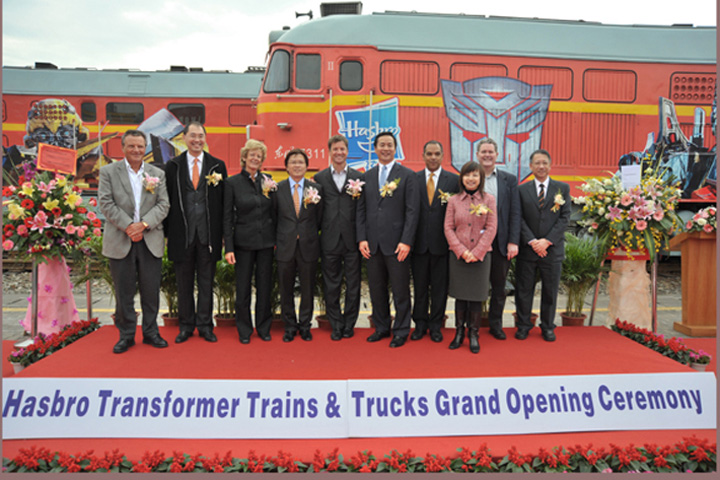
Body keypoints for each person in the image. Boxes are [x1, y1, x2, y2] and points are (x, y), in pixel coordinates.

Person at [98, 130, 170, 354]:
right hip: (121, 239)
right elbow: (106, 203)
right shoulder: (108, 172)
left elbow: (164, 205)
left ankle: (151, 332)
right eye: (132, 146)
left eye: (140, 146)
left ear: (145, 147)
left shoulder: (157, 173)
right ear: (123, 147)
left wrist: (144, 225)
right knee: (124, 292)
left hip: (149, 239)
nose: (136, 150)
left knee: (151, 291)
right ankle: (126, 335)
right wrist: (129, 226)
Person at [164, 122, 227, 344]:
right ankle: (186, 326)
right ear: (184, 138)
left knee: (206, 283)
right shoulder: (173, 166)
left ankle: (206, 326)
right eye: (193, 136)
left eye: (201, 136)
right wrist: (166, 235)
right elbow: (167, 202)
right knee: (184, 284)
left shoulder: (217, 166)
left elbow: (223, 204)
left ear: (205, 138)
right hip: (182, 235)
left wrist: (222, 236)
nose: (197, 140)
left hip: (208, 236)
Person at [356, 131, 419, 348]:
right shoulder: (367, 176)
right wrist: (362, 238)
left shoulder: (408, 175)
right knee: (376, 288)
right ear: (374, 149)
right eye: (381, 145)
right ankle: (381, 327)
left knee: (401, 290)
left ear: (395, 148)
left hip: (397, 244)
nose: (385, 148)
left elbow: (412, 211)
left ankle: (401, 330)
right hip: (372, 244)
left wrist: (406, 241)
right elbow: (361, 210)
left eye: (390, 145)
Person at [515, 149, 571, 342]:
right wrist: (532, 241)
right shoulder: (521, 190)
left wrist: (547, 241)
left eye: (544, 163)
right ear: (530, 166)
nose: (541, 166)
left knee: (550, 291)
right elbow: (518, 218)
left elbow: (565, 218)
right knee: (524, 291)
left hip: (552, 250)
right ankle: (523, 326)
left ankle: (547, 326)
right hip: (527, 250)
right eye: (537, 163)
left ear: (550, 165)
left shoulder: (562, 188)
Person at [223, 140, 276, 344]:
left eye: (259, 156)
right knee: (243, 289)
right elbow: (227, 217)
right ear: (244, 157)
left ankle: (263, 327)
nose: (255, 159)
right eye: (252, 155)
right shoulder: (232, 183)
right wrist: (228, 248)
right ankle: (244, 330)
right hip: (242, 244)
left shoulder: (268, 181)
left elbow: (274, 211)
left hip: (266, 244)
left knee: (264, 288)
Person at [313, 135, 364, 340]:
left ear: (347, 151)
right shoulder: (319, 178)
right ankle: (335, 324)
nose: (339, 152)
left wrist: (362, 238)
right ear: (330, 151)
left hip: (352, 240)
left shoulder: (358, 177)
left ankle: (349, 324)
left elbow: (362, 210)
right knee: (331, 285)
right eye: (335, 149)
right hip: (329, 239)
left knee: (353, 285)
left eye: (342, 149)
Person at [443, 161, 497, 354]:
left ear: (481, 178)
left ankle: (473, 334)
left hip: (481, 257)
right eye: (467, 175)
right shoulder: (454, 201)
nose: (471, 179)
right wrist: (461, 250)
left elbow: (491, 228)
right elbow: (448, 228)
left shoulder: (489, 200)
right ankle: (458, 333)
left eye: (475, 175)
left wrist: (477, 252)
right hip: (459, 256)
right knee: (460, 295)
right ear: (462, 178)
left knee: (476, 297)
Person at [411, 140, 459, 343]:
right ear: (423, 155)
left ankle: (435, 325)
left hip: (442, 244)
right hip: (418, 245)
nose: (432, 157)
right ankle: (420, 324)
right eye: (429, 153)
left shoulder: (453, 181)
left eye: (436, 154)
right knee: (420, 288)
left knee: (440, 289)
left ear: (442, 156)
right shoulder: (412, 179)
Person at [275, 149, 323, 342]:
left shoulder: (316, 189)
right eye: (293, 162)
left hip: (308, 245)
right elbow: (274, 217)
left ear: (306, 166)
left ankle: (305, 325)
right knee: (285, 289)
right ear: (286, 167)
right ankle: (289, 326)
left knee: (307, 288)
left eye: (301, 162)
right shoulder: (277, 189)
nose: (297, 165)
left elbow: (319, 219)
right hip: (285, 246)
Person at [476, 138, 521, 340]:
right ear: (477, 154)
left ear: (497, 155)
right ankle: (473, 325)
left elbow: (514, 213)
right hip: (475, 243)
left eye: (490, 152)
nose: (487, 155)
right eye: (483, 151)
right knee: (476, 286)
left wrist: (513, 241)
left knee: (499, 287)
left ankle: (496, 325)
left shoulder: (509, 181)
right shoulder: (469, 177)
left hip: (501, 243)